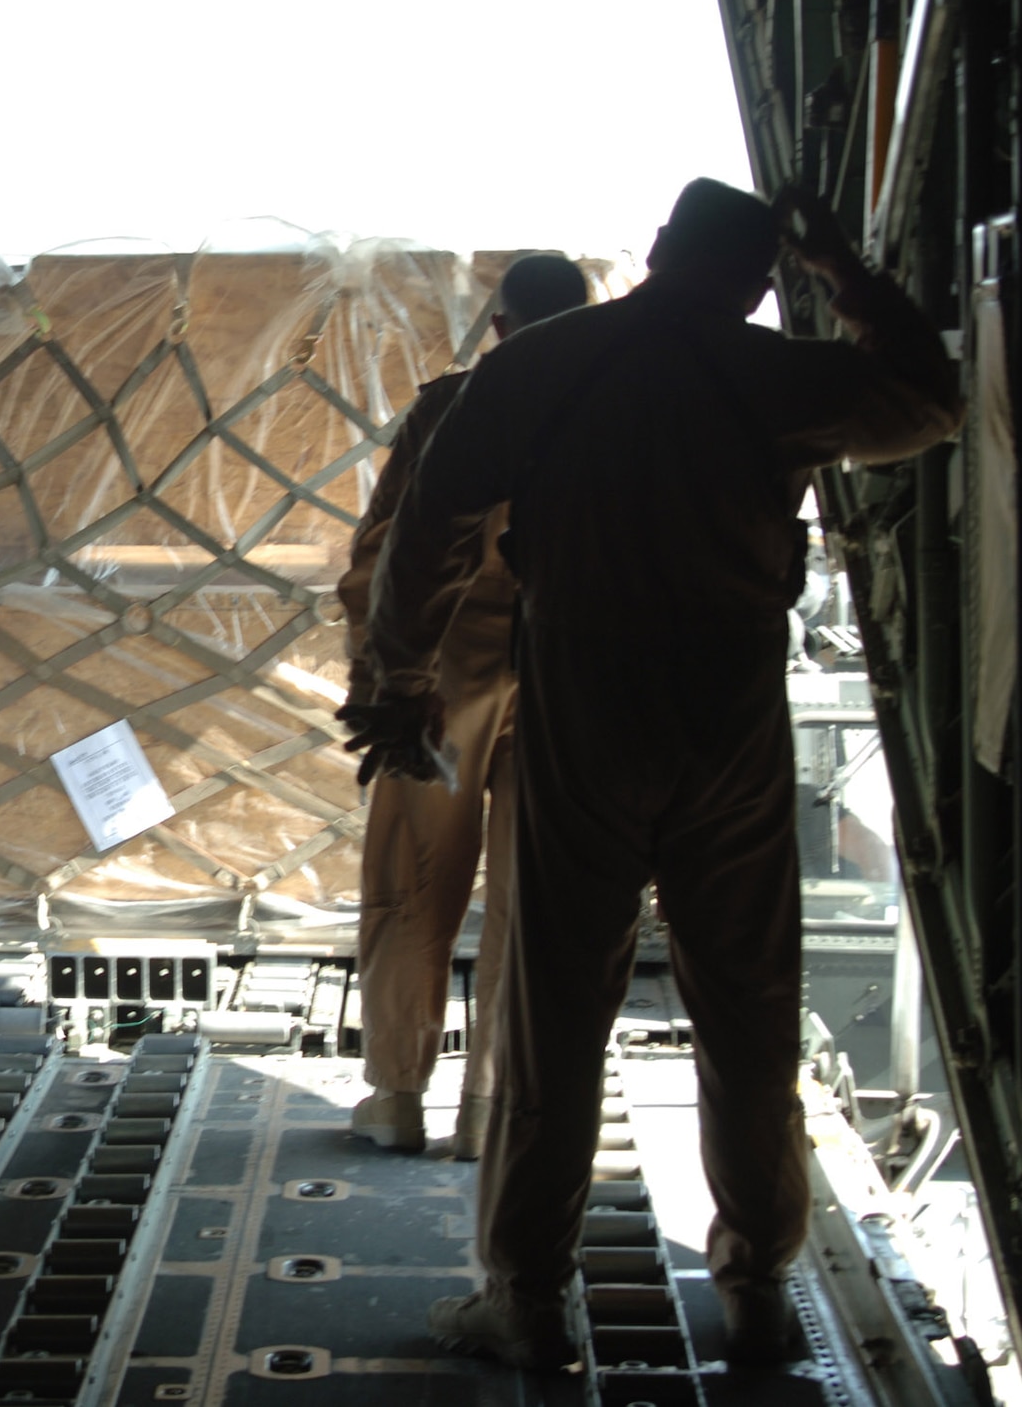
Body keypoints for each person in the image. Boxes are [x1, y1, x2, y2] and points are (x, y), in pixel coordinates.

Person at [349, 178, 960, 1369]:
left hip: (582, 704)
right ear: (753, 282)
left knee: (555, 1010)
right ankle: (755, 1284)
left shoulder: (537, 369)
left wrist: (398, 678)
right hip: (727, 715)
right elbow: (931, 397)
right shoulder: (773, 378)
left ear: (658, 252)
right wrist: (839, 269)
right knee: (745, 1010)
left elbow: (429, 526)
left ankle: (524, 1294)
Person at [340, 254, 591, 1159]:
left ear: (501, 326)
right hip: (572, 666)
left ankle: (398, 1095)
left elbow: (391, 548)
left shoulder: (454, 405)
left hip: (446, 668)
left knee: (413, 879)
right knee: (536, 895)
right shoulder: (616, 407)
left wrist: (377, 682)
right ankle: (493, 1109)